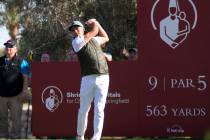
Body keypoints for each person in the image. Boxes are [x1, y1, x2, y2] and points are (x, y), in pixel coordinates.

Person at [69, 19, 109, 140]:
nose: (75, 31)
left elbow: (106, 37)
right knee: (84, 110)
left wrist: (98, 23)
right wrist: (95, 23)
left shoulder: (94, 39)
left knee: (99, 109)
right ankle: (80, 136)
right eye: (72, 30)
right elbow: (95, 30)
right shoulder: (76, 42)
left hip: (103, 77)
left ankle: (96, 138)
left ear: (83, 28)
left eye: (77, 28)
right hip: (88, 78)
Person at [0, 39, 29, 138]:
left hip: (16, 96)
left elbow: (26, 78)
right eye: (7, 46)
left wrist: (24, 92)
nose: (8, 48)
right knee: (2, 117)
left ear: (16, 49)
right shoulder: (0, 60)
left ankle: (15, 136)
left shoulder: (22, 61)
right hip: (1, 96)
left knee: (16, 118)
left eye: (11, 46)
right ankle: (3, 135)